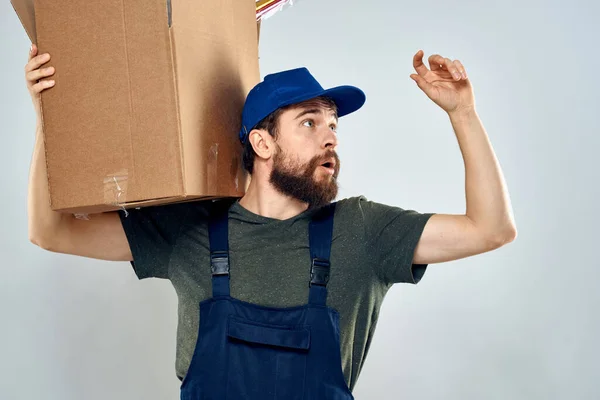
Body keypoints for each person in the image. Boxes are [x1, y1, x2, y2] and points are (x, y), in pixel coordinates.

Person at [24, 43, 517, 399]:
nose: (331, 138)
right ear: (262, 144)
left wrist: (463, 113)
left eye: (333, 124)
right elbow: (52, 231)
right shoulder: (190, 230)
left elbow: (490, 228)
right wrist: (50, 120)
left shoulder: (364, 232)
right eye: (309, 122)